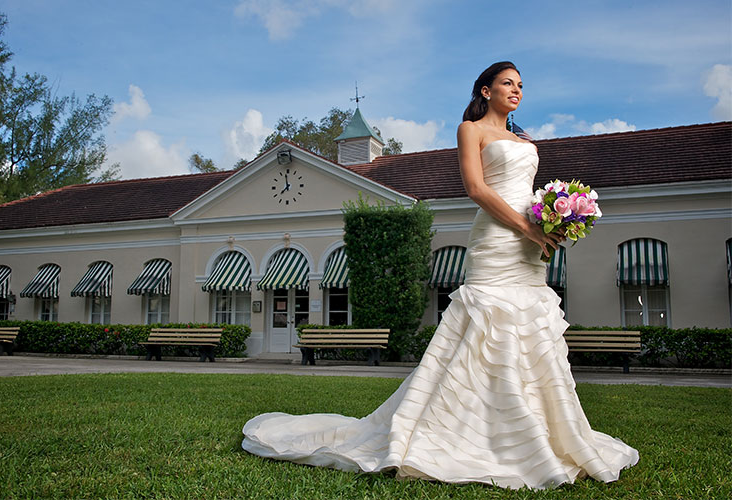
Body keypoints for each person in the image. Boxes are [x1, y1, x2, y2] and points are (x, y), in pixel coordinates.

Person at [242, 61, 639, 490]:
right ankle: (458, 431)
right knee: (486, 325)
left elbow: (528, 191)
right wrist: (526, 226)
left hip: (530, 247)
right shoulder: (471, 130)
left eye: (521, 85)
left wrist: (552, 220)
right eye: (507, 83)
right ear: (485, 91)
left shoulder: (525, 139)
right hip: (497, 238)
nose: (516, 90)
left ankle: (530, 432)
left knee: (530, 332)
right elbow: (476, 188)